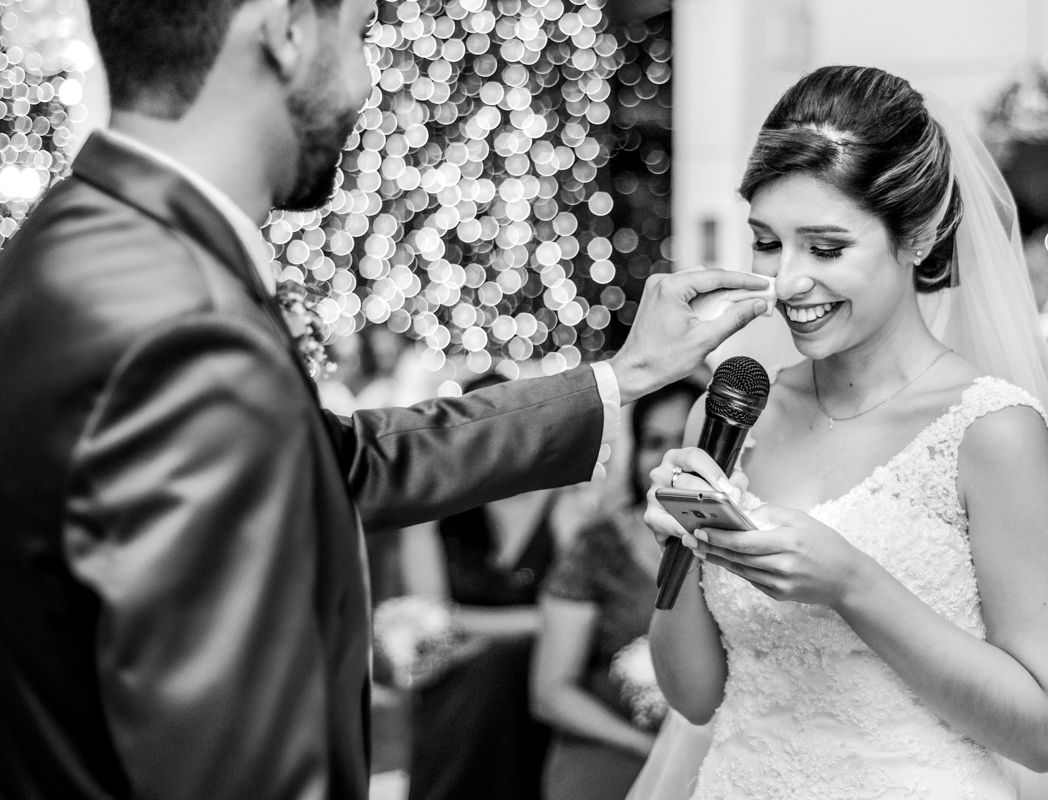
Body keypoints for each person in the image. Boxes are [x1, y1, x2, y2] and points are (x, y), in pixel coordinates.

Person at [0, 0, 770, 797]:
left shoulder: (84, 236)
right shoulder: (181, 323)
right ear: (286, 27)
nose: (370, 82)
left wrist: (621, 377)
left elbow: (341, 463)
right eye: (362, 33)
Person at [632, 66, 1048, 799]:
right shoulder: (744, 407)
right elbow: (697, 697)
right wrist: (679, 545)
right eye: (767, 243)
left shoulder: (991, 431)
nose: (788, 282)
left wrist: (854, 585)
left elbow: (1044, 730)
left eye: (826, 248)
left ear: (919, 236)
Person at [400, 372, 569, 800]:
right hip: (458, 685)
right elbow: (433, 618)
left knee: (499, 666)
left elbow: (572, 611)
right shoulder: (433, 510)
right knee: (481, 675)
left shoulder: (565, 504)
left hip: (536, 688)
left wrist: (479, 630)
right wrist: (535, 623)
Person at [532, 381, 703, 800]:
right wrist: (649, 748)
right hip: (613, 746)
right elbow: (550, 693)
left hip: (712, 750)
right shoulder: (598, 547)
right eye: (654, 441)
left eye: (685, 440)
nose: (669, 457)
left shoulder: (742, 541)